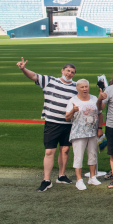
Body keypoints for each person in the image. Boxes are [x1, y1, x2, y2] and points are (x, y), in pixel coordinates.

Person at [18, 58, 79, 192]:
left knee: (65, 150)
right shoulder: (50, 81)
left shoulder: (76, 87)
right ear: (62, 70)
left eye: (72, 72)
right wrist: (23, 69)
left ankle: (61, 176)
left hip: (68, 123)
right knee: (49, 151)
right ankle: (46, 180)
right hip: (52, 123)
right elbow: (33, 76)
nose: (69, 74)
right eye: (68, 71)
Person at [65, 79, 102, 191]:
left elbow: (100, 113)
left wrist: (100, 128)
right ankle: (79, 180)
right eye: (82, 87)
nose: (85, 89)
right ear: (77, 89)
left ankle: (92, 177)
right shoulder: (73, 100)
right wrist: (73, 111)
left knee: (92, 154)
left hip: (92, 132)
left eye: (86, 86)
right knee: (78, 156)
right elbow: (67, 118)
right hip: (79, 133)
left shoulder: (94, 98)